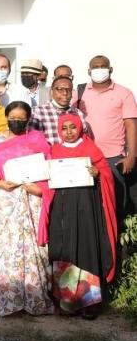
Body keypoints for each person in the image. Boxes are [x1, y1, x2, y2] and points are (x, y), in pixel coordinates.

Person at [0, 101, 54, 317]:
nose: (16, 121)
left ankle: (35, 300)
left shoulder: (38, 140)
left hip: (32, 201)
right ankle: (9, 301)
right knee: (6, 250)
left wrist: (37, 188)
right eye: (12, 117)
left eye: (21, 118)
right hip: (4, 203)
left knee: (33, 250)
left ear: (28, 118)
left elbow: (49, 171)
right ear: (6, 118)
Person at [48, 114, 117, 319]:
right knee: (65, 249)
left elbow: (107, 176)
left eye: (73, 127)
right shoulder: (55, 150)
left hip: (87, 208)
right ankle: (66, 301)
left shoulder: (91, 148)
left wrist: (98, 173)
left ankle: (90, 302)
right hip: (63, 208)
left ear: (80, 128)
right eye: (65, 128)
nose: (69, 132)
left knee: (87, 247)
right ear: (59, 130)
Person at [73, 55, 137, 219]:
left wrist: (131, 156)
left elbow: (131, 125)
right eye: (95, 66)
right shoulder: (79, 93)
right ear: (89, 71)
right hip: (85, 157)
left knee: (116, 203)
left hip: (114, 158)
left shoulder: (124, 93)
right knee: (90, 205)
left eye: (103, 66)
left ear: (110, 69)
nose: (99, 69)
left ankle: (116, 241)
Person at [29, 75, 90, 145]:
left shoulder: (78, 113)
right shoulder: (37, 112)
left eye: (69, 89)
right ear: (51, 92)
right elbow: (31, 143)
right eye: (60, 89)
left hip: (74, 155)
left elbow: (85, 141)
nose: (65, 93)